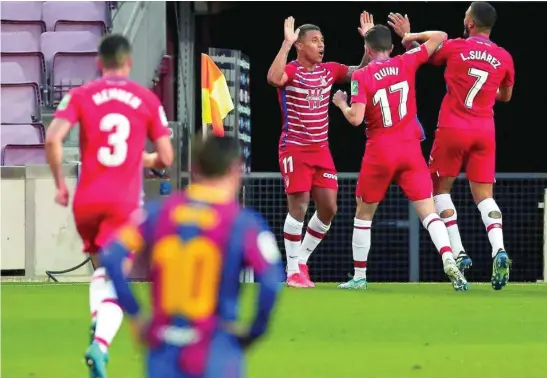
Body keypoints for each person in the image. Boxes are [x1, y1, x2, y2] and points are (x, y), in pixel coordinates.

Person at [100, 135, 284, 378]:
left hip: (164, 349)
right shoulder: (243, 223)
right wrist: (254, 332)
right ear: (235, 170)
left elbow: (112, 256)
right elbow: (271, 281)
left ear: (195, 169)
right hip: (215, 348)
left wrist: (135, 315)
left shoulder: (158, 212)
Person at [44, 33, 173, 377]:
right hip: (123, 202)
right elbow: (166, 156)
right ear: (129, 63)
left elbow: (53, 138)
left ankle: (100, 321)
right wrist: (140, 158)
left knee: (103, 271)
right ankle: (100, 345)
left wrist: (59, 184)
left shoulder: (80, 94)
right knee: (116, 277)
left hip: (86, 199)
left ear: (99, 63)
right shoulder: (144, 97)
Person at [332, 23, 468, 291]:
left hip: (380, 151)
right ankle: (448, 257)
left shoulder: (362, 75)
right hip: (409, 150)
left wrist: (341, 104)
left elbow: (356, 119)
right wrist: (411, 36)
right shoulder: (405, 61)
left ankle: (359, 276)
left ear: (367, 50)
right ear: (392, 48)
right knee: (429, 214)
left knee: (364, 213)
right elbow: (441, 36)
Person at [267, 13, 373, 288]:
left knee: (329, 208)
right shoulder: (292, 70)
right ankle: (292, 271)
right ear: (301, 46)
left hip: (321, 151)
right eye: (314, 41)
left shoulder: (329, 70)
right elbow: (273, 78)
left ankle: (301, 259)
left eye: (322, 40)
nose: (320, 45)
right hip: (294, 148)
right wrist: (286, 43)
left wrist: (368, 46)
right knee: (299, 206)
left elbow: (359, 72)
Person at [424, 2, 514, 290]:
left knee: (440, 190)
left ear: (471, 23)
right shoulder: (504, 56)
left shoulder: (456, 47)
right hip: (484, 130)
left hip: (453, 127)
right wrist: (486, 92)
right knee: (484, 196)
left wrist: (409, 35)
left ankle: (459, 251)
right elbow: (505, 95)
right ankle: (498, 249)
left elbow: (430, 54)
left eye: (465, 16)